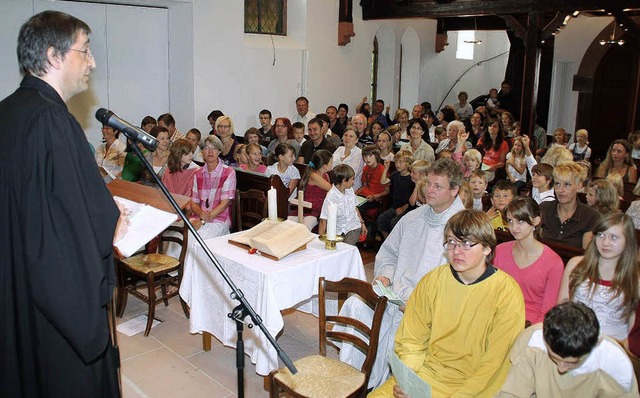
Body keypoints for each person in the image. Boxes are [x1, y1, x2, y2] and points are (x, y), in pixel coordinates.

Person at [1, 10, 125, 396]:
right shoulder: (53, 121)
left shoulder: (8, 112)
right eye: (85, 50)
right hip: (55, 316)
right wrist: (115, 220)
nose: (92, 62)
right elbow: (76, 226)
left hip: (15, 288)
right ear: (54, 56)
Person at [335, 158, 465, 389]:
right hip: (395, 293)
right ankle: (353, 381)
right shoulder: (414, 216)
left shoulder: (461, 228)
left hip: (429, 308)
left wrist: (419, 303)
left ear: (455, 190)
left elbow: (460, 283)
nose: (430, 190)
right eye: (430, 183)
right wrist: (386, 274)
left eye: (438, 186)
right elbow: (390, 253)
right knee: (356, 306)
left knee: (401, 332)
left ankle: (384, 384)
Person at [369, 210, 525, 397]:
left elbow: (495, 362)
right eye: (451, 242)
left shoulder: (506, 293)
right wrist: (408, 380)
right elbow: (411, 338)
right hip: (425, 373)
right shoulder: (433, 280)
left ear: (487, 248)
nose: (456, 251)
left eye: (466, 243)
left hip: (475, 385)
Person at [498, 301, 638, 397]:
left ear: (594, 346)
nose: (561, 368)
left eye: (571, 363)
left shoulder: (615, 364)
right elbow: (511, 392)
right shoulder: (531, 342)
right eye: (554, 358)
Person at [558, 212, 639, 341]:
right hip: (574, 338)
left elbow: (633, 324)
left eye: (613, 237)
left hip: (613, 343)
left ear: (627, 241)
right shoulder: (576, 265)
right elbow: (562, 306)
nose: (605, 242)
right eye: (600, 235)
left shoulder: (635, 278)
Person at [494, 197, 564, 325]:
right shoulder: (499, 251)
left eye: (520, 221)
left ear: (536, 220)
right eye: (510, 221)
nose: (514, 227)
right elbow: (491, 294)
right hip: (499, 318)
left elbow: (547, 311)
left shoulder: (554, 263)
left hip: (531, 324)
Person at [540, 162, 600, 249]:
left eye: (567, 185)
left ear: (579, 186)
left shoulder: (590, 216)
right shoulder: (544, 208)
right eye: (557, 184)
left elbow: (586, 255)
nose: (560, 190)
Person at [190, 135, 236, 239]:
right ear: (202, 152)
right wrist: (201, 214)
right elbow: (194, 202)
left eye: (214, 148)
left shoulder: (228, 172)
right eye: (206, 148)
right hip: (198, 216)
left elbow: (225, 204)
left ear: (219, 151)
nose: (210, 152)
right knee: (179, 237)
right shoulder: (197, 173)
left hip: (218, 220)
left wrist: (202, 221)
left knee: (196, 239)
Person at [318, 164, 367, 245]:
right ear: (344, 181)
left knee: (347, 247)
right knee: (335, 250)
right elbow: (323, 220)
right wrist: (320, 242)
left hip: (353, 227)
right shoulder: (331, 197)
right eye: (352, 179)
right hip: (338, 229)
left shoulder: (350, 190)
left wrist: (362, 223)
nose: (353, 182)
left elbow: (354, 207)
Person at [289, 150, 333, 231]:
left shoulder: (326, 175)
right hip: (306, 209)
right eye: (331, 163)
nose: (332, 165)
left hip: (315, 212)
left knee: (304, 229)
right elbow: (332, 189)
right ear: (324, 166)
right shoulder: (313, 175)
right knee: (288, 226)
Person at [377, 152, 415, 238]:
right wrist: (386, 168)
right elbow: (383, 182)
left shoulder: (412, 179)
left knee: (394, 222)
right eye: (397, 161)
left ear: (408, 163)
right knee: (381, 219)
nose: (397, 164)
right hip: (395, 207)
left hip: (407, 208)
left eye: (401, 162)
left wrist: (403, 208)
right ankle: (387, 241)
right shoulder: (395, 174)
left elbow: (413, 200)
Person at [332, 127, 364, 191]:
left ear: (356, 140)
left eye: (351, 136)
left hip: (351, 189)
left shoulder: (359, 154)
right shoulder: (339, 149)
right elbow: (330, 166)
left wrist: (339, 162)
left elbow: (350, 174)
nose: (347, 138)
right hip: (335, 184)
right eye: (345, 135)